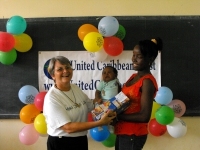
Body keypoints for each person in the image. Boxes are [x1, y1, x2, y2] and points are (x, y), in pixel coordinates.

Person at [43, 56, 116, 150]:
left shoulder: (75, 88)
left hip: (80, 140)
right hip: (61, 143)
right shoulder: (52, 98)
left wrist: (113, 105)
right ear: (53, 75)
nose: (65, 71)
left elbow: (91, 105)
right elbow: (68, 127)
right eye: (60, 69)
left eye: (67, 67)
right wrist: (99, 123)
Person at [114, 37, 163, 150]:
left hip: (133, 134)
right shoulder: (133, 77)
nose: (134, 59)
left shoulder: (147, 82)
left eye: (139, 56)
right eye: (133, 55)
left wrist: (118, 117)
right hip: (122, 131)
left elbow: (144, 116)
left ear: (150, 59)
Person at [94, 66, 121, 132]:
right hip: (103, 101)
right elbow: (97, 92)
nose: (106, 74)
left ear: (115, 75)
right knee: (97, 110)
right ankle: (99, 124)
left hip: (113, 101)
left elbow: (120, 91)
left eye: (109, 72)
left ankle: (111, 125)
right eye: (104, 73)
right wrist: (98, 99)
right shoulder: (102, 83)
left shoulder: (116, 81)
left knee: (113, 114)